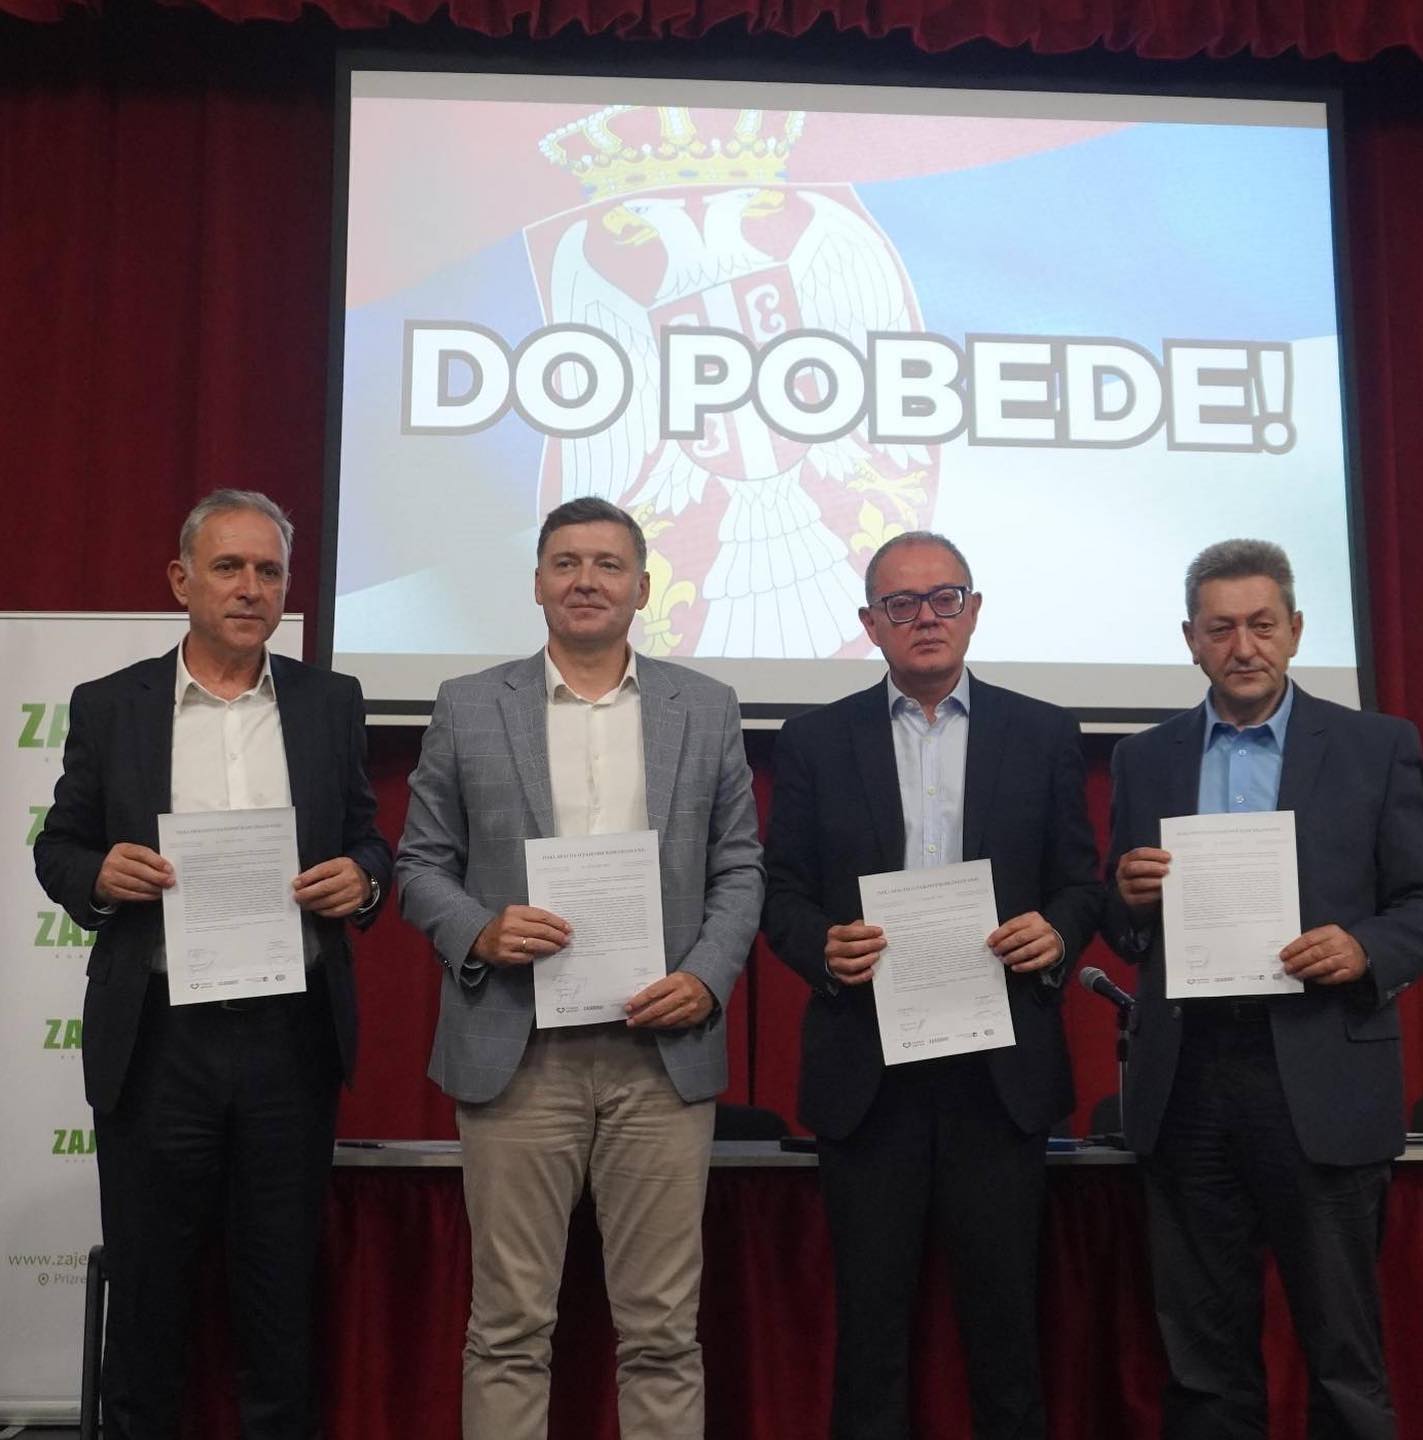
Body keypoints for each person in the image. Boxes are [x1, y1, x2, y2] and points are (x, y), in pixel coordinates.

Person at [393, 495, 764, 1440]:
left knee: (663, 1333)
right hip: (518, 1052)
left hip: (660, 1053)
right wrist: (480, 930)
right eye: (566, 563)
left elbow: (739, 868)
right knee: (509, 1329)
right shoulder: (470, 704)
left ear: (643, 586)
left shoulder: (706, 706)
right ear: (536, 584)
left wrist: (707, 977)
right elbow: (420, 865)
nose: (586, 581)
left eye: (607, 564)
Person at [34, 489, 393, 1440]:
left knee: (280, 1293)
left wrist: (362, 878)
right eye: (229, 567)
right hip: (160, 1039)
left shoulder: (329, 703)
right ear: (180, 580)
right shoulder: (112, 705)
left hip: (289, 1035)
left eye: (269, 571)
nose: (250, 588)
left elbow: (368, 839)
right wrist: (98, 875)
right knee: (148, 1294)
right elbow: (59, 846)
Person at [762, 530, 1103, 1440]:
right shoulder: (814, 741)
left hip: (1000, 1073)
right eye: (902, 604)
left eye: (945, 598)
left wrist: (1058, 931)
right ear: (870, 623)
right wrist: (821, 948)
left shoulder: (1042, 733)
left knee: (1007, 1338)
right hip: (868, 1072)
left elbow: (1081, 883)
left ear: (974, 611)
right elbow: (780, 891)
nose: (926, 618)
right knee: (870, 1340)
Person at [1104, 538, 1423, 1440]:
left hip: (1322, 1075)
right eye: (1221, 629)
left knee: (1343, 1356)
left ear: (1295, 629)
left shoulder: (1375, 746)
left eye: (1261, 625)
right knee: (1203, 1366)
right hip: (1188, 1081)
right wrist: (1126, 897)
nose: (1243, 646)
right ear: (1190, 640)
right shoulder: (1144, 759)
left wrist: (1364, 948)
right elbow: (1124, 927)